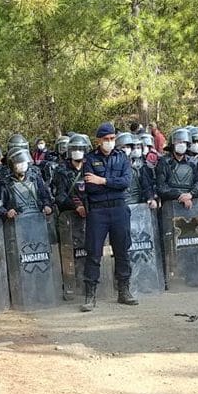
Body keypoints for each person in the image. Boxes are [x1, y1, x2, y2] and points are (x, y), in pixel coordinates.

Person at [80, 123, 137, 310]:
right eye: (106, 139)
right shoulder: (89, 159)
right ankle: (90, 296)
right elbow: (90, 186)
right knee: (93, 253)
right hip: (98, 211)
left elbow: (126, 182)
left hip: (119, 209)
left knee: (122, 251)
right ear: (99, 140)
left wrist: (102, 180)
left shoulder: (122, 158)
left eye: (112, 138)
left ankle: (124, 291)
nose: (110, 142)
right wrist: (108, 183)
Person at [52, 134, 90, 216]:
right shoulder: (62, 171)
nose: (77, 152)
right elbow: (60, 196)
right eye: (74, 149)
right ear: (69, 151)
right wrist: (76, 206)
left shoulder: (90, 169)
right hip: (70, 216)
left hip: (90, 214)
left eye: (80, 149)